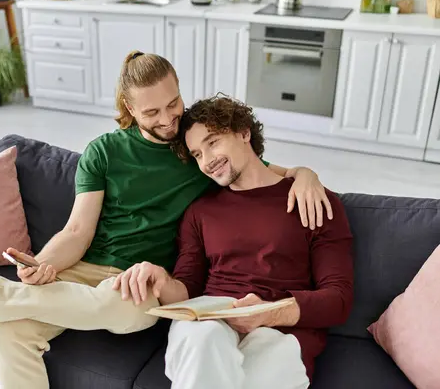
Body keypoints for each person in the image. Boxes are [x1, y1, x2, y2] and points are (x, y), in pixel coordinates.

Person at [0, 52, 334, 389]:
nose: (168, 119)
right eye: (152, 112)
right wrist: (45, 265)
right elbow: (78, 230)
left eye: (173, 103)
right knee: (11, 335)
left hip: (139, 281)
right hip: (85, 267)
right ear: (130, 109)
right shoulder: (103, 152)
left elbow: (254, 167)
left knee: (128, 315)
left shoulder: (196, 148)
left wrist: (306, 174)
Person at [113, 94, 354, 389]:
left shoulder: (312, 200)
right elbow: (187, 288)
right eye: (197, 154)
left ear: (243, 132)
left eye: (213, 142)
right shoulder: (199, 212)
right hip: (210, 318)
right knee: (204, 339)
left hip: (281, 330)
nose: (208, 161)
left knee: (258, 370)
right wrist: (161, 280)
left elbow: (338, 299)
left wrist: (267, 313)